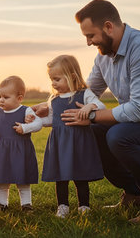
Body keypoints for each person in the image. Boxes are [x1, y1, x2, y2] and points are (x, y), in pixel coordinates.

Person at [34, 0, 140, 223]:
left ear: (108, 27)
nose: (88, 42)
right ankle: (134, 194)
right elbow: (81, 91)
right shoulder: (103, 57)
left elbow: (139, 110)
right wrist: (48, 107)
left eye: (90, 36)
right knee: (92, 134)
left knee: (117, 135)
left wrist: (91, 115)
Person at [34, 55, 105, 218]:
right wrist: (36, 120)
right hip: (60, 143)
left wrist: (90, 107)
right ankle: (62, 206)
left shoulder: (84, 93)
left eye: (57, 79)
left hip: (80, 142)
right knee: (61, 176)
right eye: (52, 79)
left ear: (72, 76)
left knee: (81, 175)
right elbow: (53, 119)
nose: (53, 83)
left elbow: (101, 106)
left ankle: (84, 206)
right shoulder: (54, 98)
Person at [0, 76, 42, 212]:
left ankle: (26, 204)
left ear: (19, 98)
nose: (1, 100)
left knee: (23, 179)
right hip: (3, 151)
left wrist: (25, 128)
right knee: (2, 180)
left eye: (6, 97)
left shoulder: (26, 110)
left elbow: (38, 124)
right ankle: (2, 204)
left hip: (21, 150)